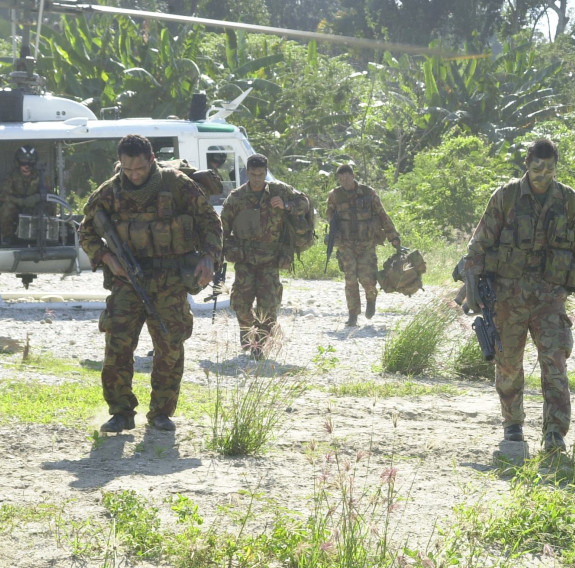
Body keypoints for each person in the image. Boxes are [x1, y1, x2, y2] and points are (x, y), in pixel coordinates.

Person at [79, 134, 222, 433]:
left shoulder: (177, 184)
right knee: (117, 344)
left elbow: (210, 221)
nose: (133, 175)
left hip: (169, 280)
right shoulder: (110, 191)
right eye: (127, 169)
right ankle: (121, 411)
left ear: (152, 159)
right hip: (127, 281)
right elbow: (87, 232)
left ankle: (160, 412)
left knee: (170, 344)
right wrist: (106, 257)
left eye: (140, 169)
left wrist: (209, 257)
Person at [464, 138, 574, 452]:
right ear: (527, 164)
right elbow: (478, 246)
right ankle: (513, 427)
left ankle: (554, 434)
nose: (543, 174)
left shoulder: (568, 201)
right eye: (537, 168)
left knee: (554, 364)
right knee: (508, 364)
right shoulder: (507, 196)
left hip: (550, 299)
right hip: (508, 298)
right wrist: (472, 289)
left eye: (549, 168)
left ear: (556, 167)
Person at [220, 153, 309, 359]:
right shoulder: (236, 198)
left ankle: (259, 345)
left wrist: (286, 205)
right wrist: (224, 251)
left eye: (261, 174)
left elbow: (304, 203)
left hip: (271, 260)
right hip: (245, 260)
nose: (257, 179)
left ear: (266, 172)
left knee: (268, 306)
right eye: (253, 174)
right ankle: (246, 331)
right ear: (247, 173)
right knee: (241, 304)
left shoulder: (279, 191)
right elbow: (222, 229)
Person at [326, 164, 400, 327]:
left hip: (366, 243)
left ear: (353, 176)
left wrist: (393, 236)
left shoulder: (368, 193)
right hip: (346, 244)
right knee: (350, 279)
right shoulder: (335, 195)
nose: (344, 181)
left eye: (346, 177)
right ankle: (353, 315)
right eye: (340, 178)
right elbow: (329, 214)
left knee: (368, 278)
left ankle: (371, 298)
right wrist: (333, 231)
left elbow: (382, 215)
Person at [0, 145, 53, 244]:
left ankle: (47, 235)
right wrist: (21, 202)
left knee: (49, 206)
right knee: (6, 208)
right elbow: (3, 195)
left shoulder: (41, 177)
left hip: (35, 208)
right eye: (23, 162)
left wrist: (37, 198)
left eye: (30, 163)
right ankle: (8, 238)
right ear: (18, 163)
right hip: (17, 209)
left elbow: (51, 196)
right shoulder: (11, 177)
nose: (27, 166)